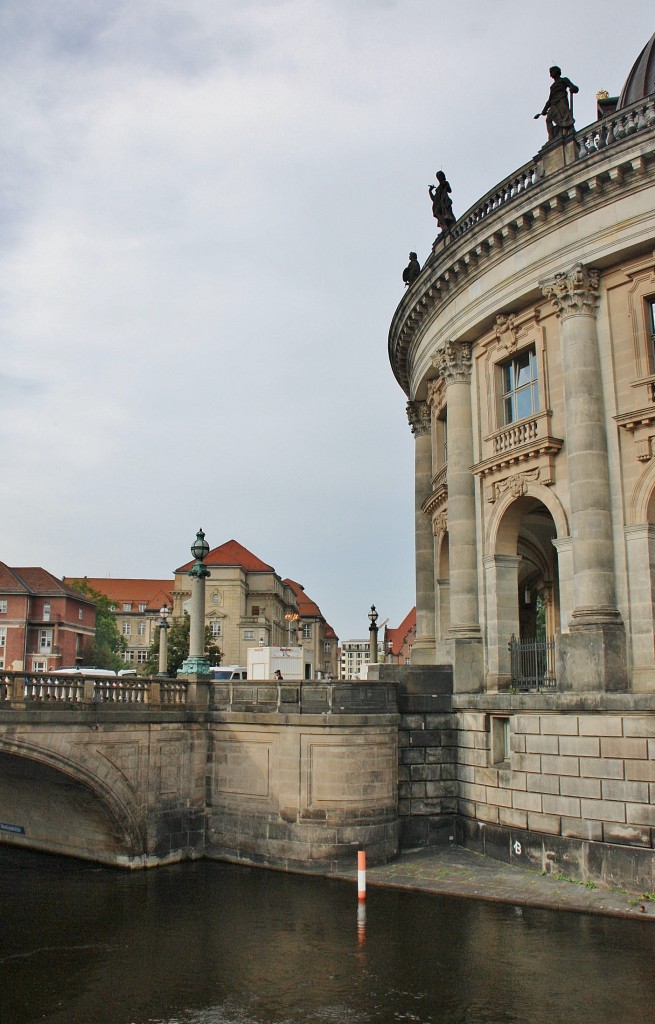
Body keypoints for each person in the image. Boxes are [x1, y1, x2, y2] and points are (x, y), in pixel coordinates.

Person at [535, 66, 578, 140]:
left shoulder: (564, 80)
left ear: (556, 72)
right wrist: (544, 109)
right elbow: (550, 99)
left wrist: (573, 88)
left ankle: (569, 129)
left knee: (565, 118)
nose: (550, 74)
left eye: (551, 72)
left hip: (562, 101)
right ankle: (551, 137)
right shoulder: (552, 86)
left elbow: (575, 88)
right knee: (548, 120)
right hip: (553, 104)